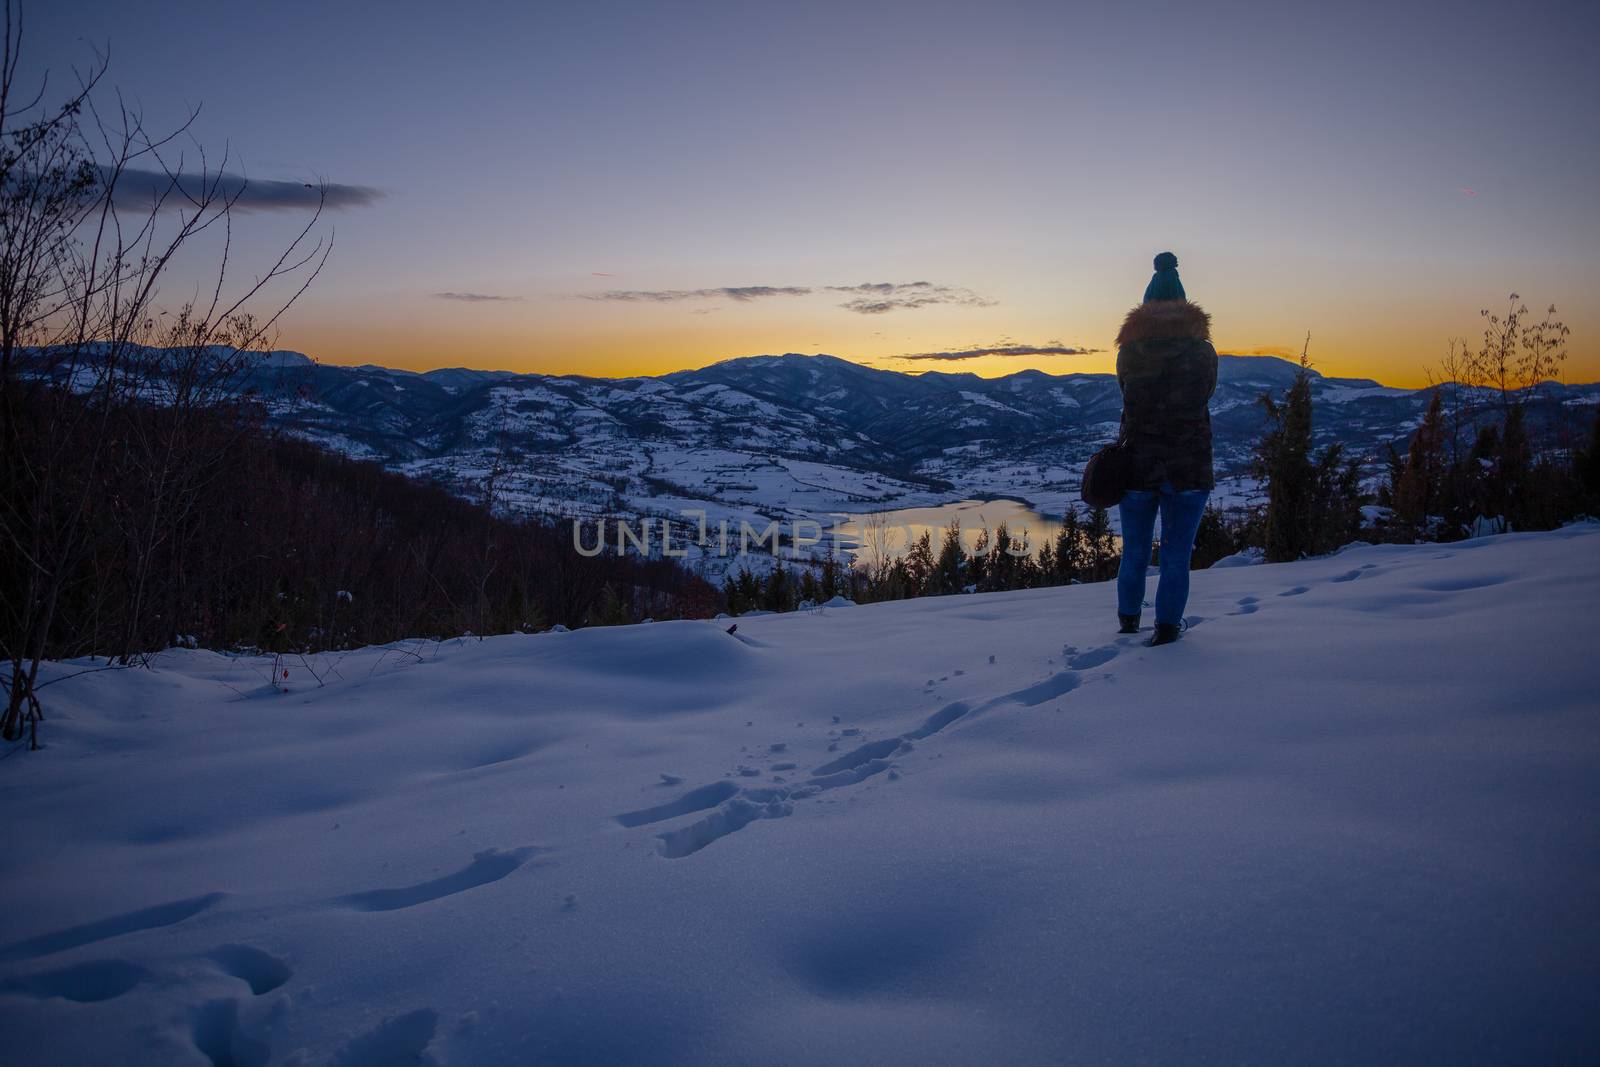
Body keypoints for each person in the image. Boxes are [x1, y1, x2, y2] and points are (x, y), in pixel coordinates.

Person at [1114, 251, 1218, 646]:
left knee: (1135, 550)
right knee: (1177, 554)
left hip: (1138, 463)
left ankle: (1127, 622)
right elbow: (1204, 396)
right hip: (1189, 465)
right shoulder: (1203, 352)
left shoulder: (1129, 353)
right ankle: (1168, 627)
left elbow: (1127, 396)